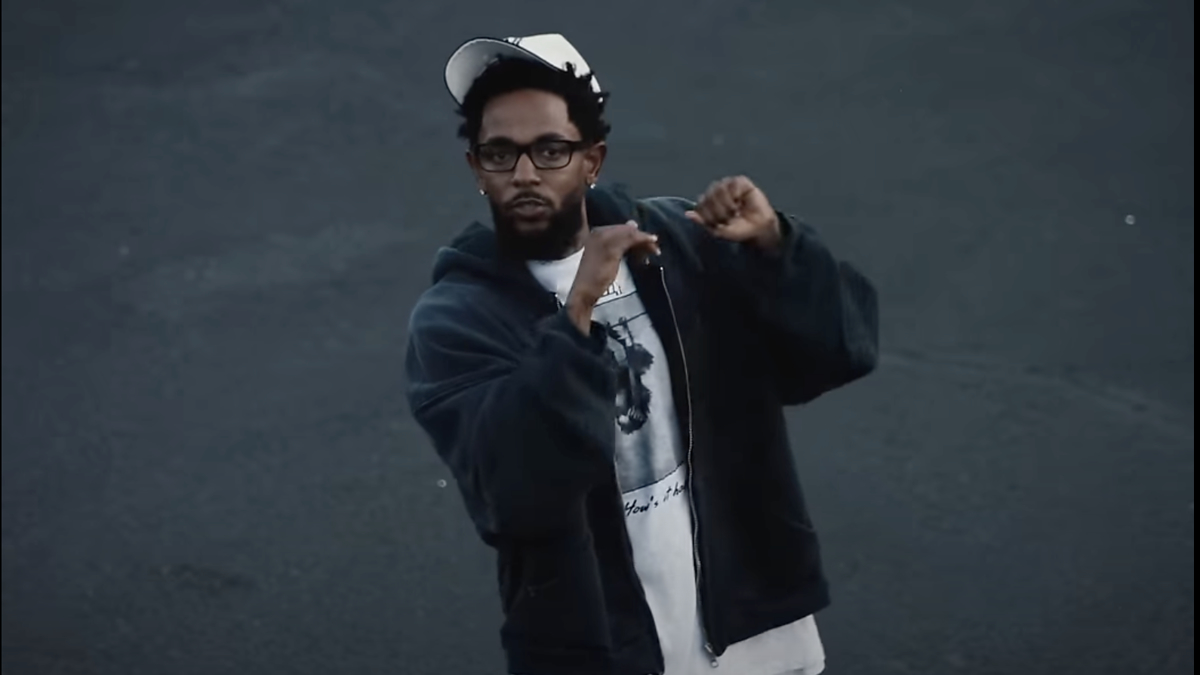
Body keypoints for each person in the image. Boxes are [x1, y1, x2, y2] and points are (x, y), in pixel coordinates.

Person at [405, 33, 879, 675]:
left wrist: (775, 247)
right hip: (601, 643)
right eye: (499, 152)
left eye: (550, 149)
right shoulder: (456, 321)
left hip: (754, 623)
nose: (523, 173)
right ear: (476, 168)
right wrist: (576, 316)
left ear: (591, 160)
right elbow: (512, 494)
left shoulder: (682, 246)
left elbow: (835, 356)